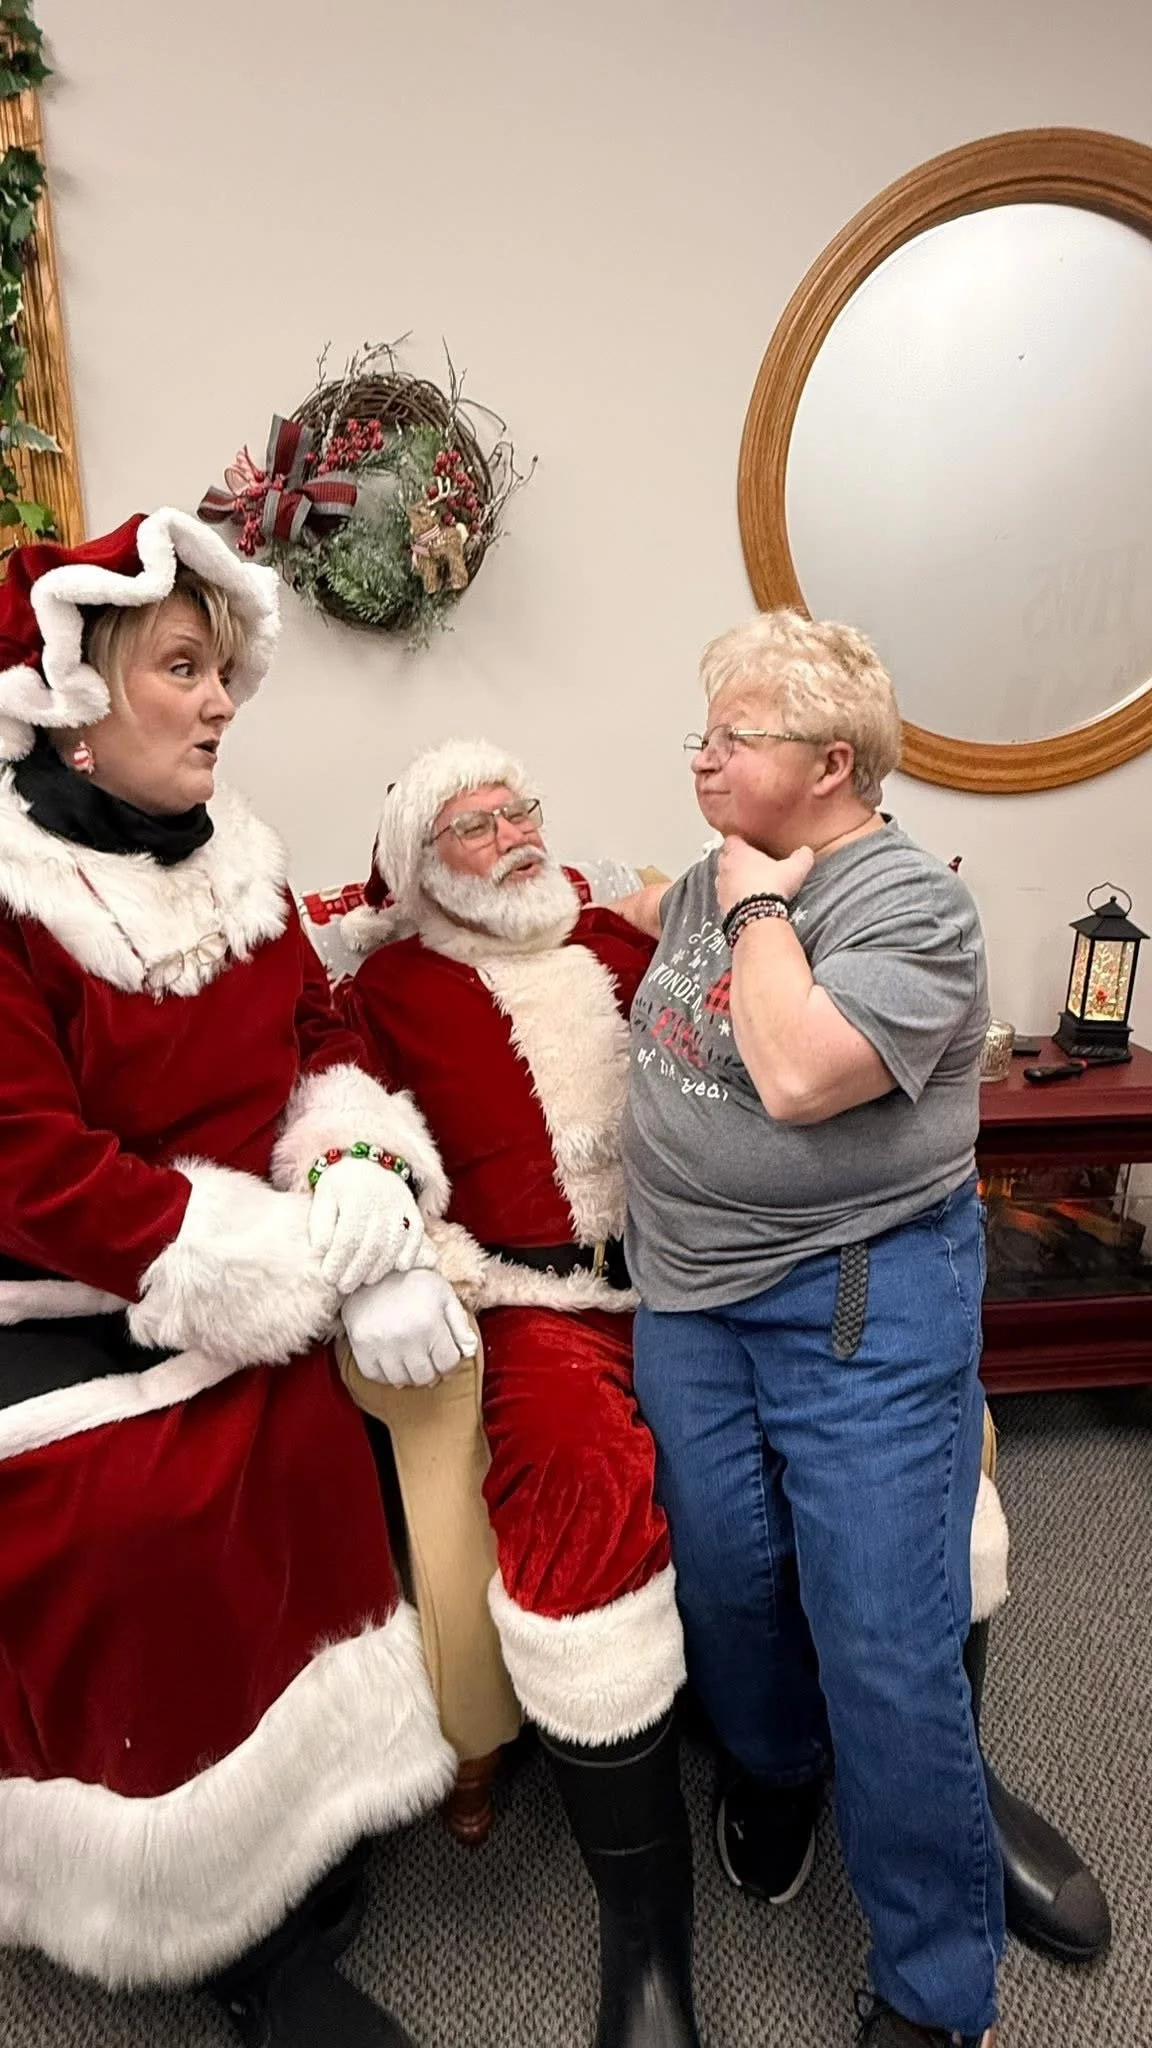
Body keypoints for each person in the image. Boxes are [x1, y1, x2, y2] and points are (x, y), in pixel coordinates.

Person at [0, 511, 477, 2048]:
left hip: (243, 1272)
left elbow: (319, 1051)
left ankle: (312, 1837)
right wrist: (268, 1264)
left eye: (224, 672)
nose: (221, 703)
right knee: (141, 1521)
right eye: (182, 670)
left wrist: (356, 1173)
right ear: (76, 695)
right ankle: (222, 1927)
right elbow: (34, 1170)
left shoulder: (248, 872)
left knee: (351, 1443)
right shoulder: (13, 901)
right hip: (70, 1299)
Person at [616, 610, 1108, 2048]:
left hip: (855, 1293)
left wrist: (763, 906)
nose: (702, 759)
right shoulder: (714, 876)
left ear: (833, 765)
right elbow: (666, 971)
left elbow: (794, 1072)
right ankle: (774, 1772)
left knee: (884, 1639)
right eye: (701, 734)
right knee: (725, 1583)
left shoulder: (905, 906)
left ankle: (937, 1988)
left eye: (732, 738)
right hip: (691, 1293)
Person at [338, 738, 700, 2048]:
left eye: (520, 807)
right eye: (475, 825)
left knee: (822, 1443)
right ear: (422, 868)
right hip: (537, 1305)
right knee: (572, 1481)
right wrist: (418, 1260)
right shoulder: (389, 984)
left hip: (691, 1279)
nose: (512, 834)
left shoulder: (620, 934)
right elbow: (346, 1132)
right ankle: (646, 1929)